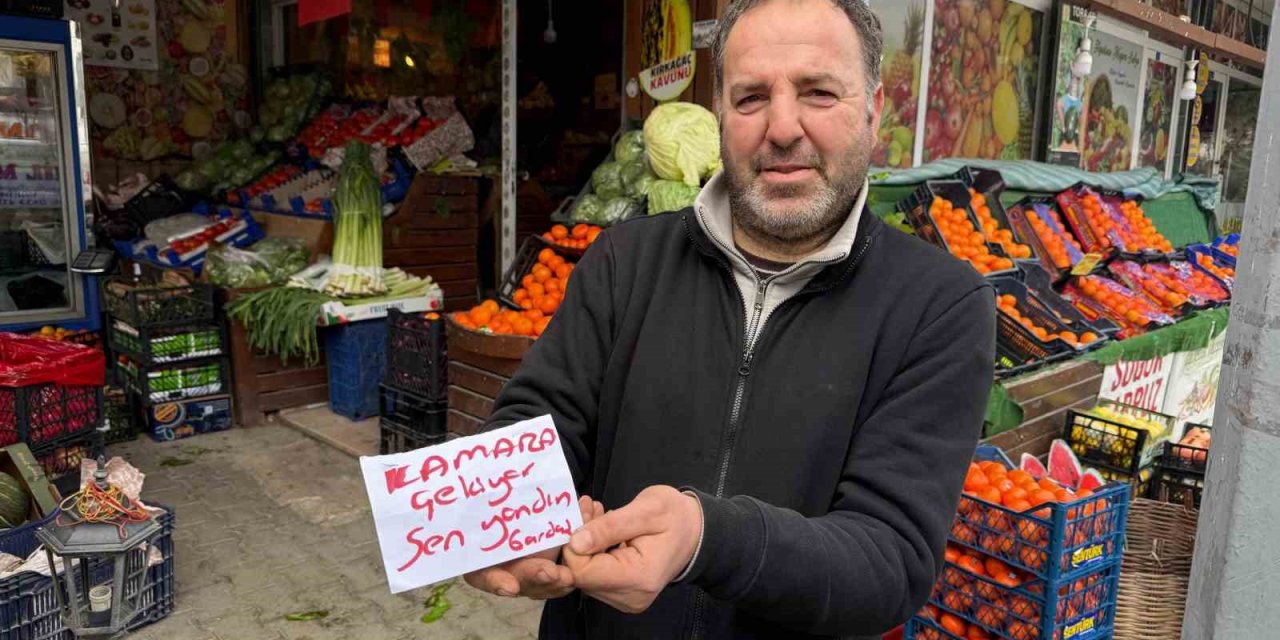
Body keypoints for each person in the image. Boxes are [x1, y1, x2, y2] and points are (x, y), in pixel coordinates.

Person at [465, 0, 996, 637]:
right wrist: (503, 517)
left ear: (874, 112)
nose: (781, 127)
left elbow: (889, 561)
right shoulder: (622, 260)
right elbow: (540, 417)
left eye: (818, 92)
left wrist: (705, 540)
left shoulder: (940, 306)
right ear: (720, 115)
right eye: (749, 98)